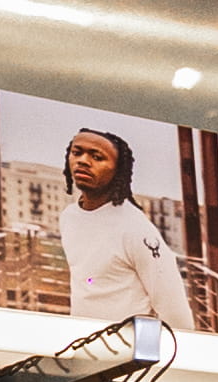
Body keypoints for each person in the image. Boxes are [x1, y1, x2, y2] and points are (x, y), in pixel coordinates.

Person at [52, 124, 201, 333]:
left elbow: (176, 314)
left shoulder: (135, 229)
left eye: (97, 157)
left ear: (118, 171)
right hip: (81, 344)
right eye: (77, 152)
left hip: (126, 354)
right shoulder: (69, 217)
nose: (83, 161)